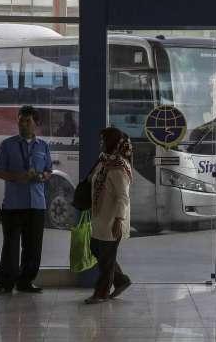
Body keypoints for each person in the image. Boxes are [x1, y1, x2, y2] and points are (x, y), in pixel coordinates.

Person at [0, 105, 52, 296]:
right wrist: (18, 177)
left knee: (33, 247)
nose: (23, 124)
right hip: (14, 204)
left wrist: (42, 176)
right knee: (10, 246)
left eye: (27, 121)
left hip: (37, 204)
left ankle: (25, 282)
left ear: (36, 124)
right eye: (20, 121)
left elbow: (49, 170)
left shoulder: (43, 146)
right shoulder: (7, 145)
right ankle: (4, 284)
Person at [85, 127, 133, 304]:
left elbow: (123, 197)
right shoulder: (104, 161)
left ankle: (101, 293)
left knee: (106, 258)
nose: (100, 143)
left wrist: (119, 220)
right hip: (99, 216)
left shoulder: (119, 168)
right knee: (96, 249)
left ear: (111, 142)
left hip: (112, 219)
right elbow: (94, 180)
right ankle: (121, 280)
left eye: (103, 140)